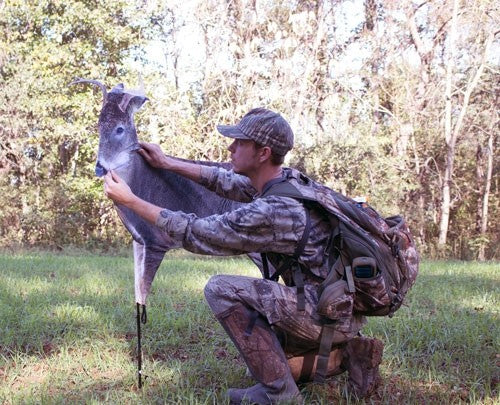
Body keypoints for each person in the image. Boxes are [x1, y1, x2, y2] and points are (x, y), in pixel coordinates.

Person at [103, 108, 383, 404]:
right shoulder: (287, 181)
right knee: (273, 364)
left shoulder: (274, 211)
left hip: (324, 313)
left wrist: (132, 201)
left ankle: (281, 394)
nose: (230, 148)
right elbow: (223, 181)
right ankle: (351, 354)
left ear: (262, 153)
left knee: (221, 289)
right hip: (335, 306)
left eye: (239, 142)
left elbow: (199, 232)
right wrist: (167, 163)